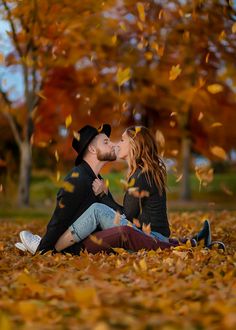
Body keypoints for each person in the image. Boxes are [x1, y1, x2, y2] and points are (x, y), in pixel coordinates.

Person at [17, 125, 224, 254]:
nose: (117, 144)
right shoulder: (143, 172)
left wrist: (104, 195)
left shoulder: (141, 176)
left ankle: (48, 248)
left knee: (98, 209)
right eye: (111, 141)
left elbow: (126, 215)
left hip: (150, 236)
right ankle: (196, 240)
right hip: (152, 233)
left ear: (134, 145)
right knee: (99, 209)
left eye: (122, 140)